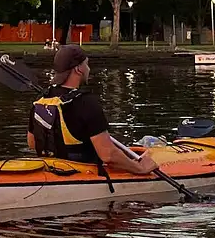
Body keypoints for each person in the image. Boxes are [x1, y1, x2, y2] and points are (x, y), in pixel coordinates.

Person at [27, 45, 158, 175]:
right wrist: (139, 168)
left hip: (50, 170)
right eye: (87, 64)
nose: (88, 69)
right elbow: (108, 155)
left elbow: (32, 143)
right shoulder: (87, 102)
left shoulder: (41, 100)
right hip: (83, 173)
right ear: (78, 69)